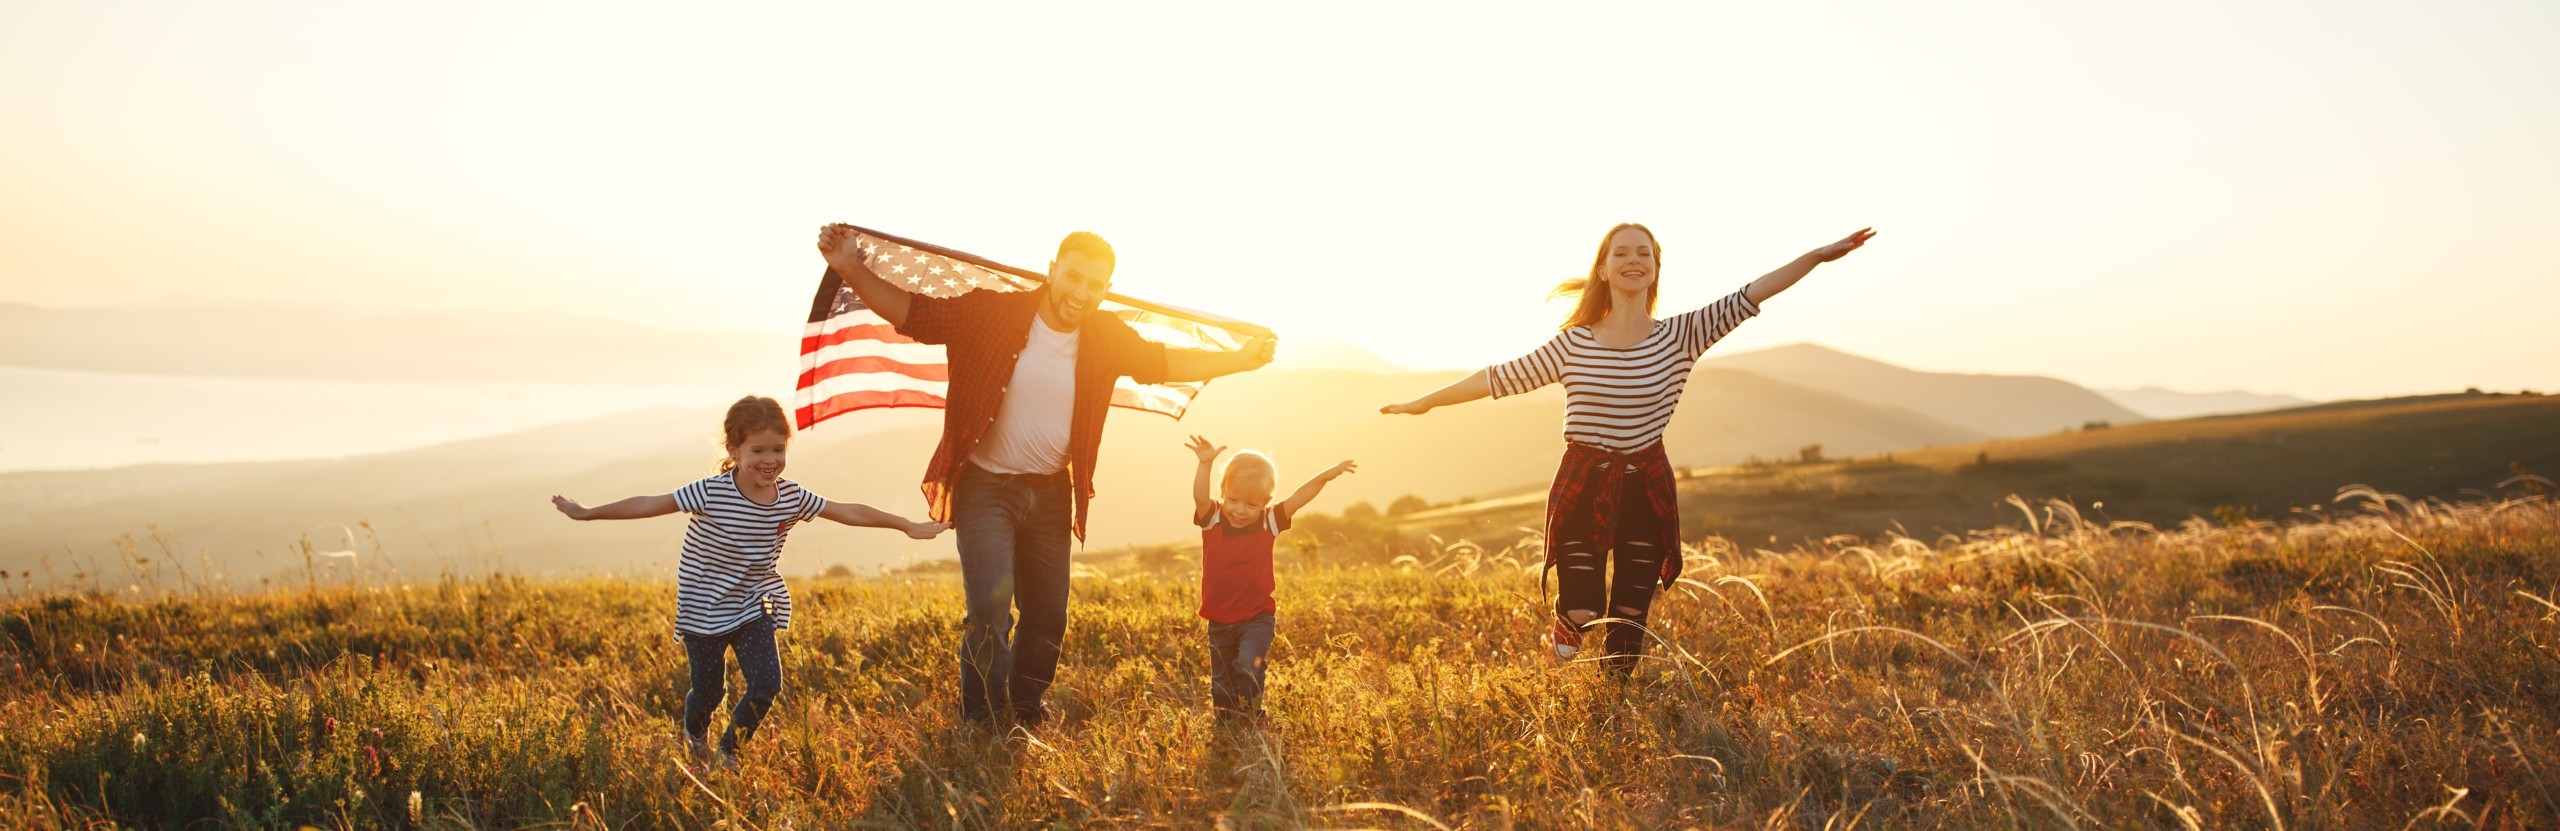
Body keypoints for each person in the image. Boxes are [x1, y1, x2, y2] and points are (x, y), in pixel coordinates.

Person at [816, 224, 1279, 728]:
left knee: (1047, 618)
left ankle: (1025, 711)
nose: (1081, 293)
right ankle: (984, 723)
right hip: (986, 488)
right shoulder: (994, 312)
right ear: (1053, 270)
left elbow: (1162, 362)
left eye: (1095, 285)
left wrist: (1237, 361)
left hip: (1053, 492)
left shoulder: (1105, 336)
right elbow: (915, 313)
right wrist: (851, 268)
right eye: (1073, 277)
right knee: (990, 615)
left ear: (1105, 290)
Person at [1381, 224, 1875, 674]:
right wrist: (1427, 401)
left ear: (1656, 268)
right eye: (1621, 252)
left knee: (1631, 614)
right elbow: (1498, 378)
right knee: (1583, 604)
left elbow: (1752, 292)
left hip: (1646, 481)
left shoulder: (1683, 335)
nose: (1633, 259)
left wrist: (1815, 256)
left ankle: (1612, 706)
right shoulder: (1574, 344)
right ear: (1604, 268)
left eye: (1644, 253)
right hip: (1584, 477)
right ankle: (1570, 620)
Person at [551, 395, 947, 765]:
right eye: (758, 451)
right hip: (703, 611)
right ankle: (694, 731)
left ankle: (729, 754)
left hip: (751, 605)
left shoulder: (791, 497)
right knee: (710, 693)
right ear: (733, 451)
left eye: (778, 449)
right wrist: (588, 513)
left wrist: (906, 525)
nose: (770, 460)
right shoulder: (710, 493)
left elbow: (848, 511)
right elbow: (651, 503)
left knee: (765, 685)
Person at [1183, 435, 1354, 724]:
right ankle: (1227, 732)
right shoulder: (1212, 517)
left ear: (1265, 503)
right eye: (1233, 500)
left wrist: (1325, 476)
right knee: (1221, 685)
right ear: (1223, 493)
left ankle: (1253, 716)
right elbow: (1200, 496)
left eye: (1251, 504)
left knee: (1248, 664)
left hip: (1256, 617)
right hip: (1219, 622)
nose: (1239, 510)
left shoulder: (1269, 521)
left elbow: (1300, 497)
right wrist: (1205, 464)